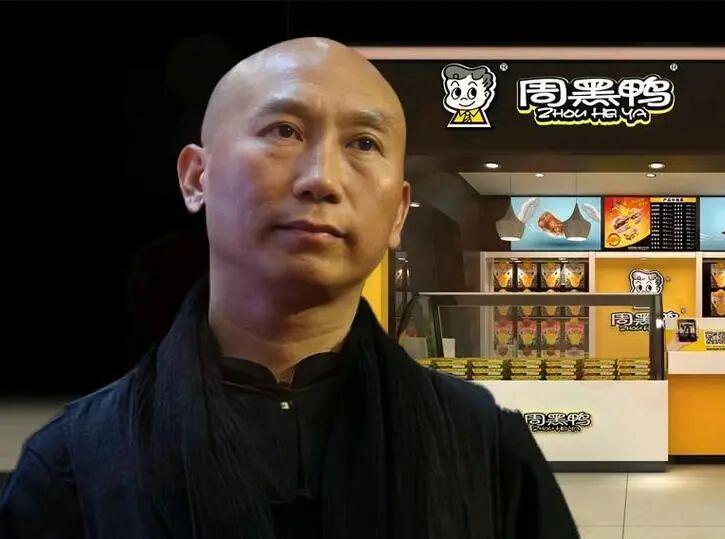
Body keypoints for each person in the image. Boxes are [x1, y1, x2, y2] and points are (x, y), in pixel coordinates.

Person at [0, 38, 577, 538]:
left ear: (399, 212)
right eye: (284, 131)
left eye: (363, 143)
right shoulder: (75, 464)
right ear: (196, 177)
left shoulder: (487, 448)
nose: (322, 178)